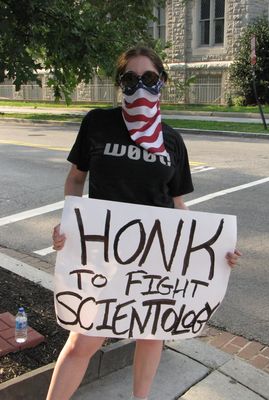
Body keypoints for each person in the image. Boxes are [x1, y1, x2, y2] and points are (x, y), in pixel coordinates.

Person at [47, 46, 241, 400]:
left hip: (156, 257)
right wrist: (70, 225)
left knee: (152, 335)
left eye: (149, 78)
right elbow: (76, 179)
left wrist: (211, 251)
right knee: (82, 341)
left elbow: (178, 203)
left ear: (162, 82)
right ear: (120, 84)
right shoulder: (97, 123)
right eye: (130, 79)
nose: (140, 86)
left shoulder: (172, 141)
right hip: (105, 253)